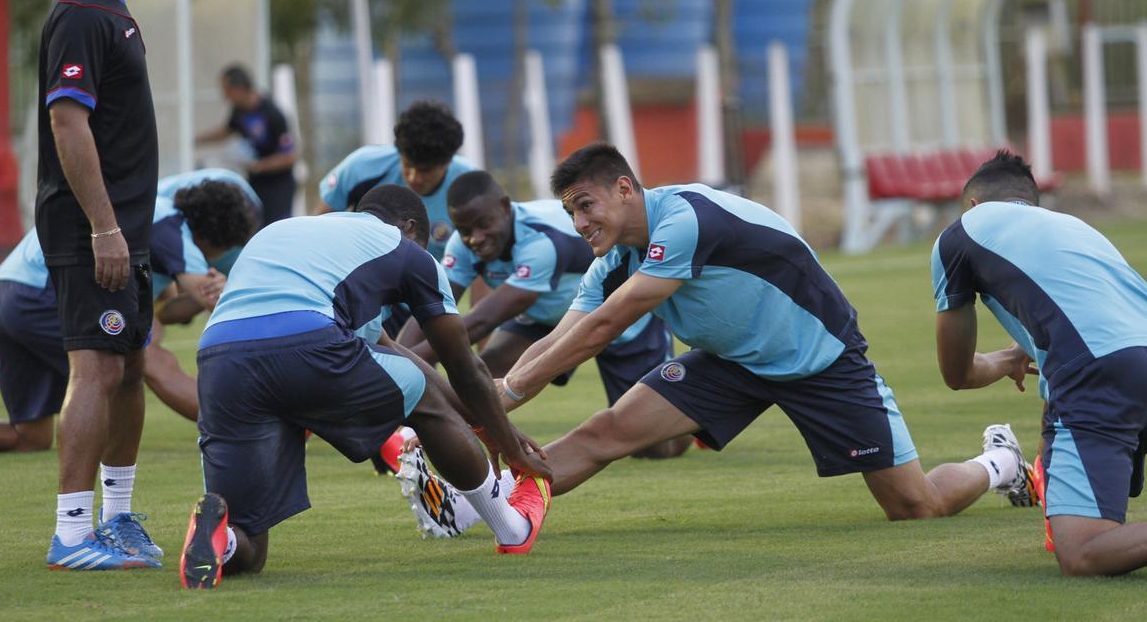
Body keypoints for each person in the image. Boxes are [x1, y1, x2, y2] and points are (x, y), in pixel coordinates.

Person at [396, 143, 1032, 539]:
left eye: (587, 205)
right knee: (605, 432)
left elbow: (604, 327)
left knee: (914, 507)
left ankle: (1000, 464)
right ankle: (472, 504)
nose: (580, 222)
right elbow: (558, 338)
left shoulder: (685, 218)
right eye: (570, 212)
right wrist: (484, 414)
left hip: (820, 360)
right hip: (731, 362)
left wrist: (500, 398)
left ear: (625, 188)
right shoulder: (611, 259)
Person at [178, 185, 552, 589]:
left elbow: (394, 353)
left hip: (220, 361)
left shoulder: (290, 234)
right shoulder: (404, 248)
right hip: (307, 342)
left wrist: (490, 427)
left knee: (250, 545)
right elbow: (465, 367)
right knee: (422, 396)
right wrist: (511, 448)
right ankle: (510, 528)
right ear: (410, 228)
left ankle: (221, 538)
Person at [931, 150, 1147, 576]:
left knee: (1083, 553)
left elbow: (957, 373)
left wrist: (1004, 359)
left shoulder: (959, 234)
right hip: (1121, 356)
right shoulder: (1074, 228)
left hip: (1098, 372)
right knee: (1058, 421)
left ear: (973, 204)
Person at [36, 0, 164, 571]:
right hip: (93, 230)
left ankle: (116, 519)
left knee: (129, 367)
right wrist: (103, 227)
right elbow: (67, 121)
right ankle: (72, 534)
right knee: (95, 369)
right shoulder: (82, 13)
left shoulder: (111, 11)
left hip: (125, 229)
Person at [0, 180, 255, 449]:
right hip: (41, 297)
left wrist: (207, 293)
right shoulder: (170, 225)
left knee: (28, 438)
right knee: (143, 359)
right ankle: (244, 424)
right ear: (210, 238)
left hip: (5, 297)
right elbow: (214, 300)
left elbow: (167, 310)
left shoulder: (152, 220)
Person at [398, 170, 687, 456]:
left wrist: (409, 362)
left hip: (618, 318)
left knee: (654, 448)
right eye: (465, 231)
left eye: (484, 225)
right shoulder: (462, 246)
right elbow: (430, 306)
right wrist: (396, 360)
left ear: (505, 207)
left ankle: (692, 424)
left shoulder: (541, 240)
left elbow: (484, 319)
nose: (476, 239)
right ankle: (436, 440)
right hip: (544, 319)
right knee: (484, 374)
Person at [315, 100, 473, 261]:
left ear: (447, 162)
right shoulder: (361, 167)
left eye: (425, 170)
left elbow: (478, 259)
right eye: (407, 165)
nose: (414, 177)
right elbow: (319, 228)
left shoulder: (469, 185)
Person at [196, 65, 296, 225]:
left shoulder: (273, 114)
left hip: (278, 187)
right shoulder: (238, 111)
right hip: (256, 183)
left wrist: (260, 166)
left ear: (239, 89)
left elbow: (289, 157)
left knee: (275, 228)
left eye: (227, 90)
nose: (224, 96)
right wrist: (197, 140)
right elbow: (227, 131)